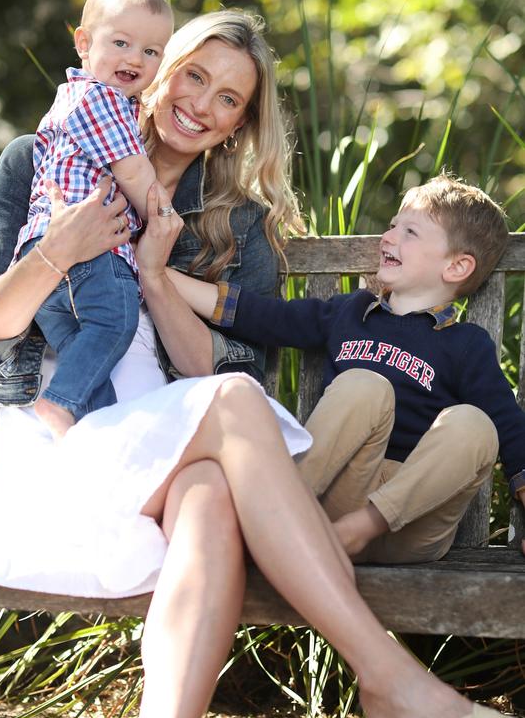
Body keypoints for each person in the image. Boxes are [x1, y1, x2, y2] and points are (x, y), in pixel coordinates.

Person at [0, 11, 525, 718]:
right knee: (235, 409)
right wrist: (61, 248)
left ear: (242, 122)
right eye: (193, 77)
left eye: (230, 99)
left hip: (165, 459)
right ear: (158, 68)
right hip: (58, 453)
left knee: (212, 489)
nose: (203, 105)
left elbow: (206, 366)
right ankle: (387, 677)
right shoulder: (42, 157)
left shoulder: (233, 223)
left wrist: (152, 274)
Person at [165, 173, 525, 564]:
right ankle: (278, 511)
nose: (388, 237)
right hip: (339, 497)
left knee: (476, 424)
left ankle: (354, 529)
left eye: (410, 232)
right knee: (365, 385)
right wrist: (156, 273)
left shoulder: (466, 344)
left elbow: (509, 428)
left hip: (411, 519)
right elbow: (260, 315)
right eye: (391, 227)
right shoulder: (350, 313)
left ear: (456, 267)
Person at [15, 0, 174, 439]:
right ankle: (58, 402)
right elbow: (134, 174)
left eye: (151, 51)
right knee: (116, 323)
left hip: (44, 262)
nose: (135, 59)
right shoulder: (99, 99)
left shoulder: (74, 98)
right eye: (121, 42)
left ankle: (93, 430)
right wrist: (164, 219)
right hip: (89, 253)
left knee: (85, 356)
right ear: (83, 43)